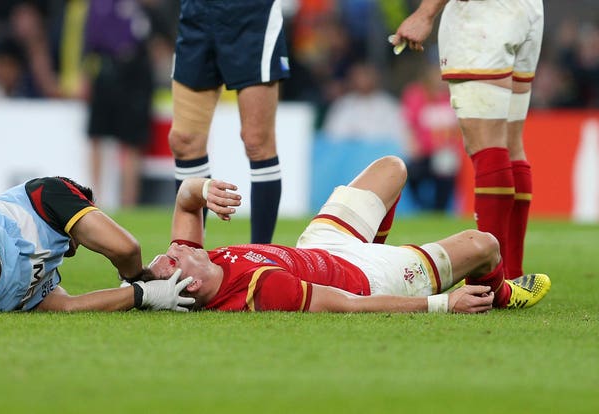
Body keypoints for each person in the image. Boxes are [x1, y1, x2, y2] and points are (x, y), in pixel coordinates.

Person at [147, 155, 550, 313]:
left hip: (321, 244)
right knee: (485, 245)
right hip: (367, 278)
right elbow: (346, 305)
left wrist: (203, 190)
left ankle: (373, 243)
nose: (173, 249)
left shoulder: (193, 263)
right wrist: (444, 304)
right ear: (192, 283)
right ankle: (501, 295)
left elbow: (184, 201)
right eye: (170, 260)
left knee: (392, 168)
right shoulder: (260, 288)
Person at [391, 0, 544, 278]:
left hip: (483, 16)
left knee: (488, 145)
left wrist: (425, 13)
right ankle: (510, 275)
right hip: (528, 10)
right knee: (511, 144)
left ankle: (488, 281)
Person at [0, 176, 194, 312]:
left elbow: (68, 306)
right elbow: (126, 248)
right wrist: (140, 277)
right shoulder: (51, 191)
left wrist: (142, 294)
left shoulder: (44, 275)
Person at [169, 0, 291, 244]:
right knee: (185, 140)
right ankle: (188, 253)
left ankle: (261, 256)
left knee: (257, 141)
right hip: (196, 12)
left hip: (250, 15)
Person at [83, 0, 154, 207]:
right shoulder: (98, 4)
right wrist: (86, 75)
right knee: (97, 137)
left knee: (131, 141)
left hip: (134, 71)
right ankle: (93, 198)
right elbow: (90, 40)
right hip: (106, 69)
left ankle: (128, 202)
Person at [401, 61, 461, 212]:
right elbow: (409, 123)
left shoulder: (452, 96)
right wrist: (413, 144)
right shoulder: (416, 95)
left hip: (445, 152)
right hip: (424, 152)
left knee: (445, 176)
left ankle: (438, 210)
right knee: (412, 175)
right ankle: (422, 206)